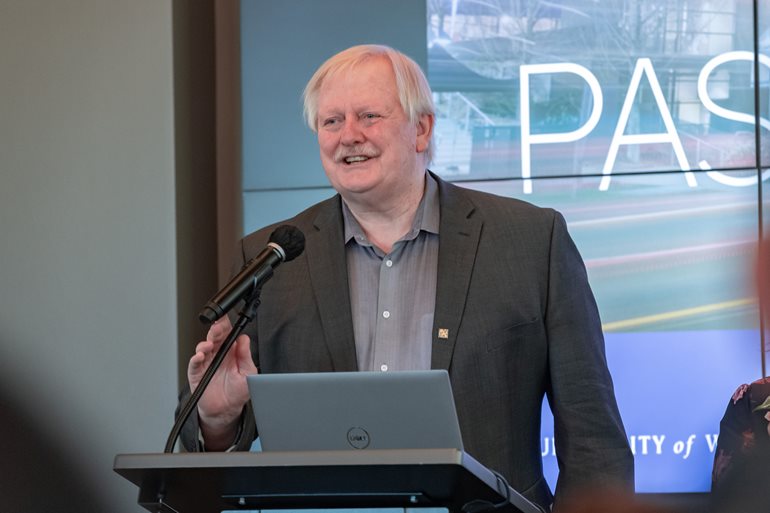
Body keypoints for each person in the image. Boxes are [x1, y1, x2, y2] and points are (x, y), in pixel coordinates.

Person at [177, 44, 633, 511]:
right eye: (331, 121)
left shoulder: (532, 240)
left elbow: (593, 438)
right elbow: (208, 446)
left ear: (421, 129)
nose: (348, 136)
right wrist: (216, 419)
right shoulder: (271, 257)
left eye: (369, 116)